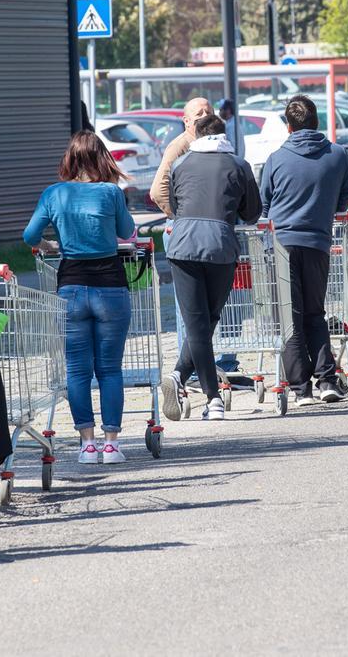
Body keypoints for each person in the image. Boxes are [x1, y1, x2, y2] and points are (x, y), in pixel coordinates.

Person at [23, 132, 136, 463]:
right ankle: (112, 443)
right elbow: (128, 231)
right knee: (110, 369)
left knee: (77, 370)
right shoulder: (110, 193)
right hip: (111, 287)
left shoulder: (54, 194)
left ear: (69, 160)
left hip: (71, 288)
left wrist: (47, 246)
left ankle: (87, 444)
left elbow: (29, 235)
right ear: (102, 157)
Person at [161, 115, 261, 421]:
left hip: (182, 248)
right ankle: (213, 398)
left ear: (196, 136)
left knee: (197, 325)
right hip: (220, 248)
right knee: (208, 320)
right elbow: (253, 212)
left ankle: (179, 375)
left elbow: (176, 205)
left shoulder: (180, 164)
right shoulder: (239, 165)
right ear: (224, 135)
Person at [259, 95, 348, 405]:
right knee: (315, 313)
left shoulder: (276, 158)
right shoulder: (338, 155)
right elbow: (345, 197)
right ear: (316, 123)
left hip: (282, 245)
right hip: (317, 243)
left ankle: (301, 389)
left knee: (291, 317)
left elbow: (264, 204)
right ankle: (327, 379)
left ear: (289, 127)